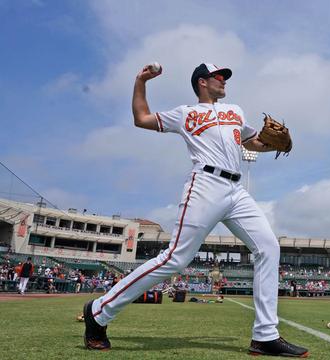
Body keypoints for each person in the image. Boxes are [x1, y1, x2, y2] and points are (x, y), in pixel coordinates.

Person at [81, 62, 308, 358]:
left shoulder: (236, 111)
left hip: (237, 190)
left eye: (224, 77)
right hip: (205, 184)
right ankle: (99, 311)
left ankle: (265, 336)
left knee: (268, 247)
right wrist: (141, 81)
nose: (224, 80)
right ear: (202, 82)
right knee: (175, 259)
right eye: (218, 76)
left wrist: (274, 143)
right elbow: (142, 118)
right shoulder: (186, 113)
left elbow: (253, 142)